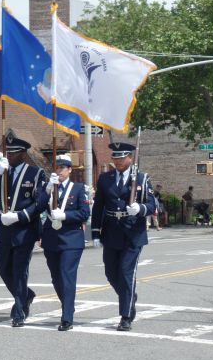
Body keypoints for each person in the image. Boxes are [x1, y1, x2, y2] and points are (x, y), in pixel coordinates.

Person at [91, 142, 156, 332]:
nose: (117, 161)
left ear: (130, 158)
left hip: (132, 233)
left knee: (126, 274)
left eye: (121, 158)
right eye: (115, 158)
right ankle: (129, 297)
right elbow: (98, 207)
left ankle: (125, 316)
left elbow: (153, 205)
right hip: (111, 231)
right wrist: (95, 232)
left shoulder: (142, 179)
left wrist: (140, 209)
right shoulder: (105, 179)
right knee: (111, 273)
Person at [0, 136, 46, 327]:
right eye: (8, 152)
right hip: (4, 229)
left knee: (19, 271)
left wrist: (20, 216)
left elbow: (40, 203)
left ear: (23, 154)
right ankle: (26, 295)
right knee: (3, 269)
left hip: (24, 229)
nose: (9, 156)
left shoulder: (35, 173)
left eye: (14, 153)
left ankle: (19, 311)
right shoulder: (0, 171)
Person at [38, 154, 90, 331]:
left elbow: (84, 213)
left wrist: (66, 215)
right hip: (51, 238)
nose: (59, 170)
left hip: (71, 239)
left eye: (62, 167)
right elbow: (38, 205)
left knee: (67, 275)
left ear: (69, 170)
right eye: (57, 167)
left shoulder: (78, 188)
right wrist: (46, 190)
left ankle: (67, 316)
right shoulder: (50, 187)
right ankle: (68, 304)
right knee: (56, 277)